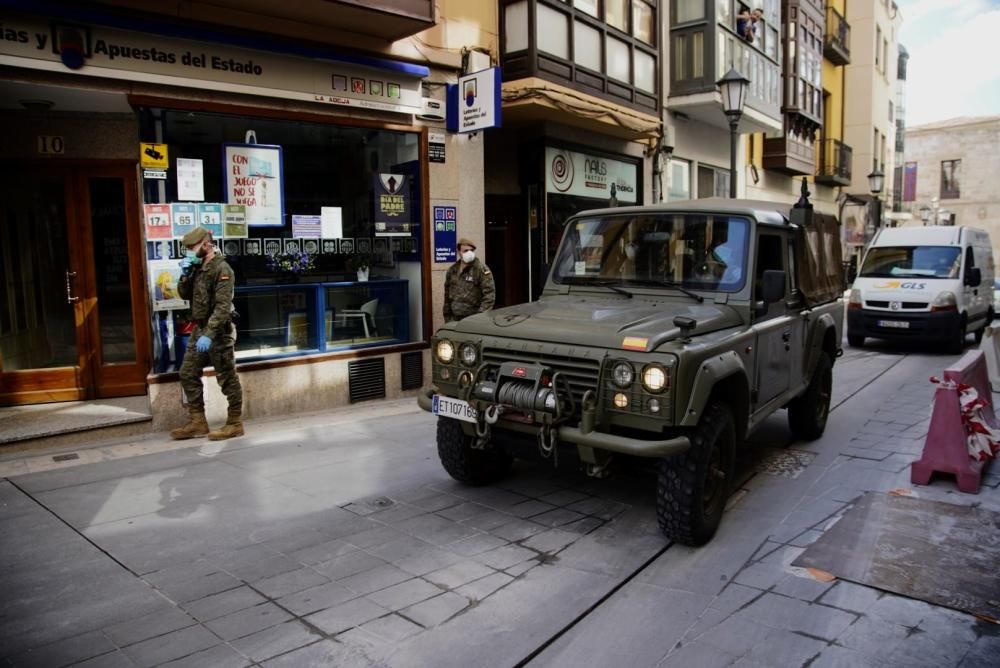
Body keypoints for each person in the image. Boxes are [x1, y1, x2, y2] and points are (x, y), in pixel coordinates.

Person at [170, 226, 244, 441]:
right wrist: (184, 275)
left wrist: (209, 334)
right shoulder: (197, 268)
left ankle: (235, 423)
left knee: (227, 377)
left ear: (206, 244)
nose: (190, 252)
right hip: (200, 328)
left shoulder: (222, 269)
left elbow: (222, 307)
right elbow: (184, 294)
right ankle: (198, 422)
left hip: (219, 331)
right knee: (187, 372)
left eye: (193, 248)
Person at [444, 237, 495, 322]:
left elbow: (489, 296)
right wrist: (447, 318)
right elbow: (447, 296)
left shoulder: (481, 269)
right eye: (465, 251)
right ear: (458, 252)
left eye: (471, 250)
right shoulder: (452, 270)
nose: (469, 253)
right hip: (454, 319)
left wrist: (479, 318)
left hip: (472, 319)